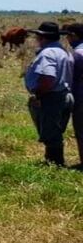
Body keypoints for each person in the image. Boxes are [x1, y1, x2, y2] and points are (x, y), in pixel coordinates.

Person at [25, 22, 73, 166]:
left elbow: (48, 78)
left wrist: (39, 95)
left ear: (41, 37)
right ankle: (53, 161)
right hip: (64, 94)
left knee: (51, 132)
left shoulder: (47, 54)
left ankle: (54, 163)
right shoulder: (63, 51)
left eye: (37, 36)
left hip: (51, 97)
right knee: (55, 129)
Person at [66, 23, 83, 167]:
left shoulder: (76, 55)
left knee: (81, 128)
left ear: (74, 36)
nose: (67, 39)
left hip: (81, 96)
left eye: (68, 36)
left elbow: (70, 78)